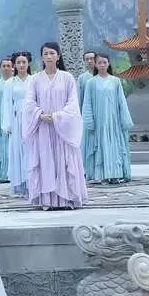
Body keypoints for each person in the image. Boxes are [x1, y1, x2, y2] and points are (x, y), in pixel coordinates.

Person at [23, 42, 88, 210]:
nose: (49, 56)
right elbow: (29, 103)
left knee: (64, 161)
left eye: (52, 53)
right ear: (42, 57)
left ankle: (67, 198)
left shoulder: (67, 78)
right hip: (44, 128)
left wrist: (57, 116)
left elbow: (73, 104)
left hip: (62, 129)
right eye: (45, 53)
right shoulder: (35, 80)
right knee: (45, 161)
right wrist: (40, 115)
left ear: (58, 56)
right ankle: (47, 200)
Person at [82, 53, 133, 184]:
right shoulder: (91, 83)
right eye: (99, 62)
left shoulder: (116, 81)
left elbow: (121, 101)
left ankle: (116, 174)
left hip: (114, 121)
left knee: (115, 146)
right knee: (101, 146)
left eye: (105, 62)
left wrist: (124, 120)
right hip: (98, 121)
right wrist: (89, 121)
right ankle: (103, 175)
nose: (102, 65)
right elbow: (87, 103)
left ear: (108, 64)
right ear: (96, 65)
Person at [2, 51, 33, 197]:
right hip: (16, 120)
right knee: (17, 149)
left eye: (24, 62)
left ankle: (32, 182)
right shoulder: (10, 83)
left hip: (31, 118)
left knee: (30, 150)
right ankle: (20, 184)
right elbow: (7, 103)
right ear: (14, 65)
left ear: (28, 64)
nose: (21, 65)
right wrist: (7, 124)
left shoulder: (34, 81)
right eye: (18, 62)